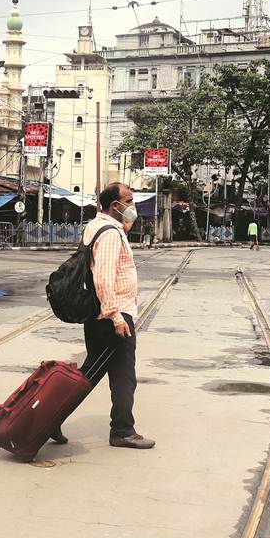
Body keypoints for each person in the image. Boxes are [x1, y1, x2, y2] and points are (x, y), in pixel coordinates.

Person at [63, 182, 155, 450]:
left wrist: (124, 228)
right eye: (129, 201)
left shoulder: (98, 226)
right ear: (116, 206)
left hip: (102, 313)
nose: (133, 206)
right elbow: (103, 277)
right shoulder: (110, 235)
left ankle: (52, 417)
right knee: (117, 375)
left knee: (98, 374)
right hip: (113, 315)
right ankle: (122, 431)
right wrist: (116, 317)